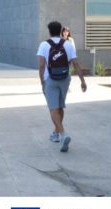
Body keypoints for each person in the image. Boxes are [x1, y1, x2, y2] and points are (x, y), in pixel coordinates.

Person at [37, 20, 87, 152]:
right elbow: (75, 63)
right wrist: (82, 81)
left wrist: (42, 82)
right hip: (65, 79)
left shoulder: (44, 45)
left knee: (53, 108)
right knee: (60, 107)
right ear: (60, 31)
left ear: (49, 31)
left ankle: (63, 134)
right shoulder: (67, 44)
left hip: (50, 80)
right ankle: (56, 132)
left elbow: (41, 65)